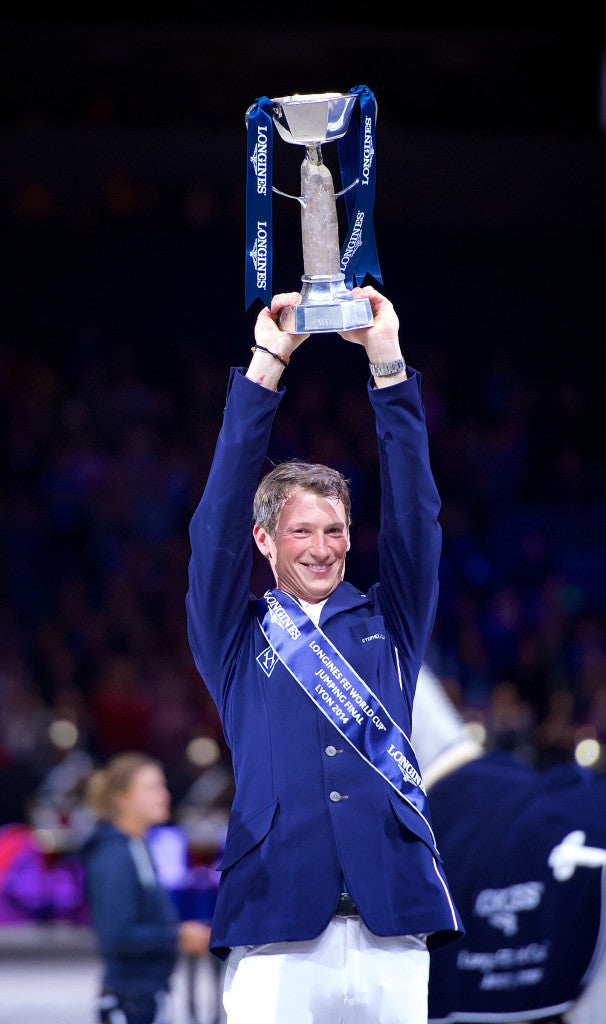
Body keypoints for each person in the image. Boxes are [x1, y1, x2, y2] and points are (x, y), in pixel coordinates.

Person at [186, 286, 464, 1024]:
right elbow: (213, 525)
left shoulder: (390, 620)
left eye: (335, 530)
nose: (322, 548)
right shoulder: (237, 636)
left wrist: (387, 364)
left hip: (393, 924)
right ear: (266, 541)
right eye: (302, 532)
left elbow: (416, 518)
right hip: (277, 926)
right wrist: (266, 367)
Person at [82, 752, 210, 1024]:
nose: (164, 795)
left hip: (145, 997)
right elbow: (116, 935)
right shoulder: (114, 855)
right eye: (151, 788)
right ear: (122, 797)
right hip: (130, 1001)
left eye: (162, 786)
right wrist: (178, 936)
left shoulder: (137, 846)